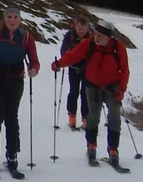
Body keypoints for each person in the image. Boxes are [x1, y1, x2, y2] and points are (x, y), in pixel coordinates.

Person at [54, 19, 130, 166]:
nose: (96, 37)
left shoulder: (118, 48)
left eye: (100, 35)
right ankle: (91, 147)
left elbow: (125, 70)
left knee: (114, 117)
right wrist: (59, 64)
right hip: (92, 86)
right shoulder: (88, 44)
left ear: (108, 37)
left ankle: (113, 150)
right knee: (93, 117)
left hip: (112, 87)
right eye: (95, 34)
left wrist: (121, 89)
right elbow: (73, 56)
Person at [0, 7, 40, 179]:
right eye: (9, 17)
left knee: (12, 117)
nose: (12, 20)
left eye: (15, 17)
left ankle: (12, 157)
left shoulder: (26, 37)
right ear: (4, 19)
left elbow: (34, 59)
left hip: (16, 80)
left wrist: (34, 69)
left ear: (20, 19)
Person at [56, 15, 92, 130]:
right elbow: (63, 49)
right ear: (75, 27)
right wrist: (64, 59)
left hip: (87, 68)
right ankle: (72, 117)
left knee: (85, 94)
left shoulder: (91, 37)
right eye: (79, 28)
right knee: (74, 92)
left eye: (83, 29)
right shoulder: (69, 35)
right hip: (73, 67)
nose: (81, 31)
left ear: (87, 28)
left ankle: (85, 119)